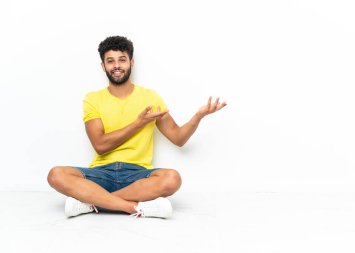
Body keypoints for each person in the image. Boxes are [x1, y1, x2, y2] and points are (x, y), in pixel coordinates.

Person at [47, 36, 226, 219]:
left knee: (172, 179)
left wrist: (198, 116)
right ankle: (132, 207)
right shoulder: (92, 99)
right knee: (56, 175)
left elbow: (178, 138)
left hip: (138, 175)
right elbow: (100, 145)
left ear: (131, 63)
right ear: (103, 66)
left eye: (122, 60)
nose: (117, 65)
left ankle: (91, 203)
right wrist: (138, 123)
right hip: (101, 174)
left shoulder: (151, 97)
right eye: (110, 61)